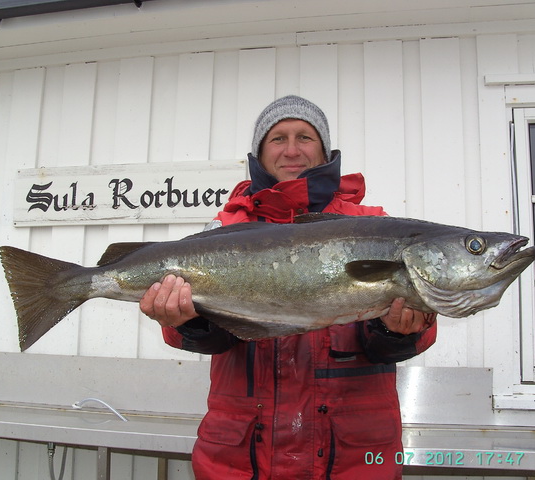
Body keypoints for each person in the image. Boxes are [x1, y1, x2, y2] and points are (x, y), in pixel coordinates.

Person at [140, 95, 437, 480]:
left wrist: (398, 331)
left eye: (305, 137)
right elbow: (215, 343)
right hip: (242, 459)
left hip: (351, 459)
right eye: (278, 138)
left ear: (324, 150)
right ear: (260, 153)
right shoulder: (224, 231)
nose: (292, 150)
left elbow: (393, 347)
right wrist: (188, 322)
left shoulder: (375, 228)